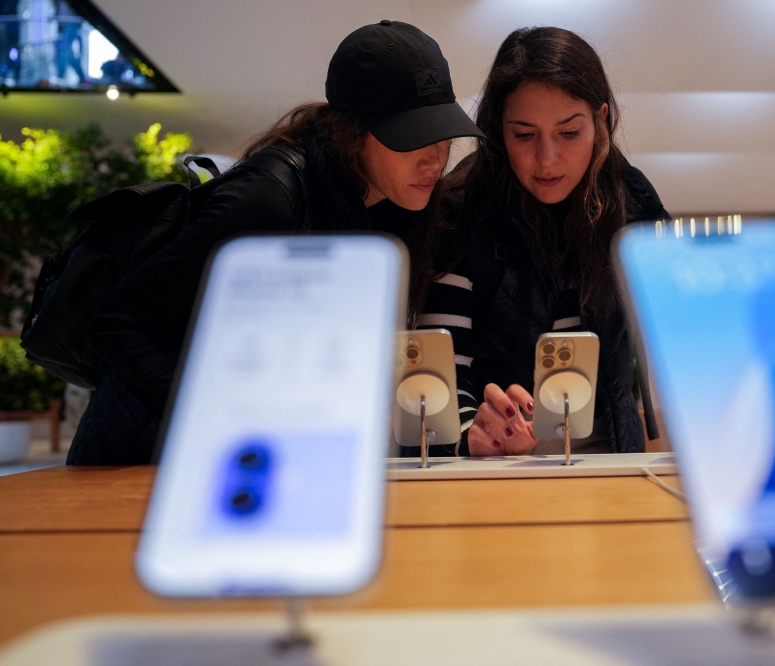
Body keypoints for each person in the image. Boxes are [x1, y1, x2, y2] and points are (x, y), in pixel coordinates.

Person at [68, 20, 483, 465]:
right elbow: (118, 321)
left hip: (243, 464)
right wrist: (222, 417)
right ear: (349, 132)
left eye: (440, 133)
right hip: (138, 458)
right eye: (411, 137)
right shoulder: (270, 198)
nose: (433, 157)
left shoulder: (388, 213)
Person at [414, 27, 669, 458]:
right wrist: (472, 433)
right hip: (496, 462)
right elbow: (440, 363)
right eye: (524, 135)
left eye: (569, 133)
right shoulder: (462, 210)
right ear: (498, 130)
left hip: (610, 454)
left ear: (600, 121)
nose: (547, 159)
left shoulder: (633, 205)